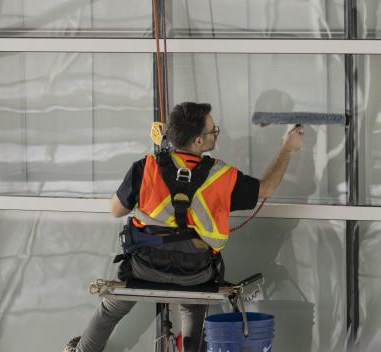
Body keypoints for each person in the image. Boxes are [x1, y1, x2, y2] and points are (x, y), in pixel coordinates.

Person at [64, 102, 304, 352]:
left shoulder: (146, 167)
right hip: (195, 274)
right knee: (193, 305)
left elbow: (116, 210)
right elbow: (266, 188)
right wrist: (288, 148)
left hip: (144, 269)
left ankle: (82, 351)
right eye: (213, 131)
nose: (217, 134)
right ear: (198, 142)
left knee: (109, 308)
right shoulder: (222, 176)